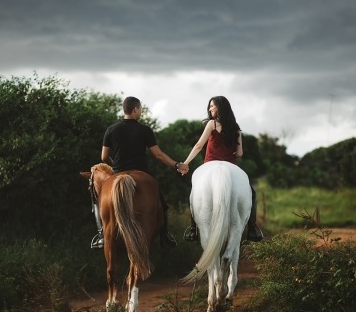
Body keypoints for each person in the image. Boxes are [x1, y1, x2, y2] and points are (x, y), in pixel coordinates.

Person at [90, 96, 189, 249]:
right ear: (135, 109)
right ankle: (165, 236)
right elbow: (158, 155)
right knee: (161, 204)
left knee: (98, 203)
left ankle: (101, 234)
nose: (140, 112)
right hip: (141, 171)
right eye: (140, 109)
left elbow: (103, 157)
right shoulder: (145, 130)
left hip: (118, 172)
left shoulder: (111, 129)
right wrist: (177, 164)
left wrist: (116, 166)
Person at [181, 95, 263, 242]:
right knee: (252, 193)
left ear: (220, 107)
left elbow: (199, 145)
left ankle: (193, 228)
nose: (209, 108)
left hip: (210, 163)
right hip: (231, 166)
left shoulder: (212, 124)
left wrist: (186, 163)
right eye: (210, 106)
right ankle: (252, 228)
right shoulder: (236, 128)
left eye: (212, 105)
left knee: (194, 193)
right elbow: (240, 153)